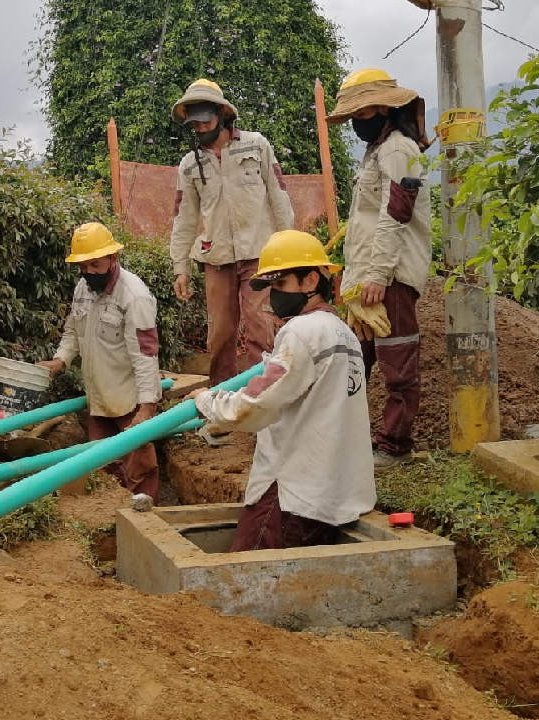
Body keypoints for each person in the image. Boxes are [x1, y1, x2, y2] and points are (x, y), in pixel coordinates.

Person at [190, 230, 375, 552]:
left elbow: (256, 404)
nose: (274, 295)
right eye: (271, 286)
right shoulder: (342, 332)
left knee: (244, 577)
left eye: (281, 284)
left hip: (292, 494)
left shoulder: (302, 332)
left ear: (311, 281)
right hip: (334, 493)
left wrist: (208, 402)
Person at [326, 68, 433, 469]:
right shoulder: (380, 149)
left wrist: (377, 274)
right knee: (358, 358)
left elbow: (396, 214)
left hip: (391, 276)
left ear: (381, 108)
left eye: (361, 113)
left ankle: (394, 446)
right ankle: (352, 441)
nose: (357, 122)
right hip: (370, 275)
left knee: (397, 360)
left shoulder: (397, 149)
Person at [169, 78, 296, 387]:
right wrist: (180, 267)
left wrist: (289, 248)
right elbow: (184, 219)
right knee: (221, 334)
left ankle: (262, 395)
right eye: (194, 124)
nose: (199, 128)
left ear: (222, 115)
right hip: (217, 258)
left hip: (260, 255)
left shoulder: (256, 145)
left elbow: (279, 197)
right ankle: (222, 398)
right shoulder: (189, 165)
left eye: (205, 121)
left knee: (262, 326)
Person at [38, 222, 162, 499]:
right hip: (98, 398)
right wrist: (60, 360)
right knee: (102, 468)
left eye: (94, 265)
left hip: (129, 401)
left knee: (138, 468)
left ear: (112, 258)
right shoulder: (82, 288)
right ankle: (111, 520)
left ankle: (147, 520)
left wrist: (147, 408)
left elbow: (145, 355)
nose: (88, 273)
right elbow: (73, 330)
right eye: (83, 267)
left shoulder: (134, 296)